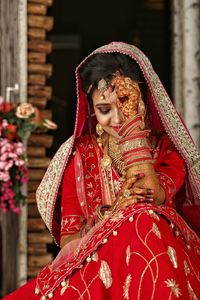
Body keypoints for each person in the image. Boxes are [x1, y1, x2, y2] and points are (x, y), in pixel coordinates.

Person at [3, 42, 200, 300]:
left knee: (144, 219)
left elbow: (149, 195)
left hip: (160, 258)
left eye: (126, 104)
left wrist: (133, 129)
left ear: (144, 98)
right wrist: (110, 225)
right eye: (105, 110)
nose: (117, 119)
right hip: (100, 261)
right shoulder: (79, 154)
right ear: (92, 110)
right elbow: (70, 238)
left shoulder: (166, 149)